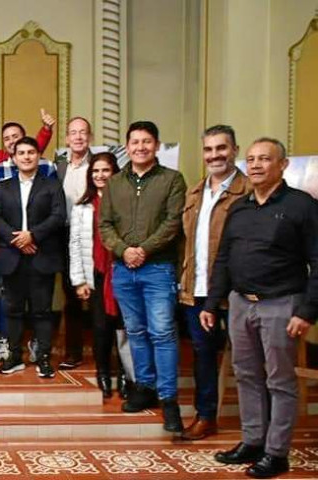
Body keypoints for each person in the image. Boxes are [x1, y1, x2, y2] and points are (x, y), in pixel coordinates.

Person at [203, 138, 318, 478]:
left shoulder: (302, 206)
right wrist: (212, 302)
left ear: (282, 165)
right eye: (251, 159)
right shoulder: (239, 206)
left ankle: (276, 452)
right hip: (240, 303)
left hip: (282, 304)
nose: (255, 165)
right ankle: (252, 441)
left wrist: (307, 311)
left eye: (264, 159)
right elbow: (223, 257)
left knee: (279, 380)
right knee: (247, 376)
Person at [99, 121, 186, 432]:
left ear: (157, 145)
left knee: (162, 332)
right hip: (123, 269)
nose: (140, 147)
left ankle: (168, 398)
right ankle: (144, 388)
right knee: (135, 332)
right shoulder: (114, 183)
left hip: (158, 268)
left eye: (146, 142)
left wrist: (143, 250)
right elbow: (105, 225)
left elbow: (173, 222)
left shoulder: (172, 180)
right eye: (134, 142)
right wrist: (124, 250)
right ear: (127, 146)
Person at [179, 125, 250, 441]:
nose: (214, 155)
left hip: (238, 291)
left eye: (221, 148)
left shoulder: (249, 190)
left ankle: (257, 427)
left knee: (250, 361)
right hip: (197, 289)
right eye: (208, 149)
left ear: (234, 149)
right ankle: (206, 416)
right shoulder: (194, 192)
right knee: (204, 354)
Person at [0, 137, 66, 379]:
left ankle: (43, 357)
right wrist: (18, 240)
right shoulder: (3, 187)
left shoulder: (51, 185)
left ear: (38, 156)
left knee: (42, 311)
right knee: (12, 310)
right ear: (13, 158)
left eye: (30, 152)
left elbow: (58, 216)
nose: (26, 156)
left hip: (41, 255)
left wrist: (32, 236)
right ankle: (14, 356)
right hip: (12, 256)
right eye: (21, 152)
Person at [68, 152, 136, 398]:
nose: (100, 175)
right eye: (95, 171)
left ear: (114, 173)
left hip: (123, 272)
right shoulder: (81, 207)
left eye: (105, 170)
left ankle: (128, 377)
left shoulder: (127, 203)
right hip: (95, 274)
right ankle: (103, 374)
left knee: (125, 326)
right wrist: (80, 281)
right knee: (100, 327)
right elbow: (74, 244)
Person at [54, 117, 95, 370]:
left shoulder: (100, 165)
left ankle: (107, 350)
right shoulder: (58, 166)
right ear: (67, 138)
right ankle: (73, 352)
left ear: (89, 137)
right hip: (62, 234)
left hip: (92, 235)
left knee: (98, 293)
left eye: (83, 133)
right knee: (70, 296)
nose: (78, 137)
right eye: (73, 133)